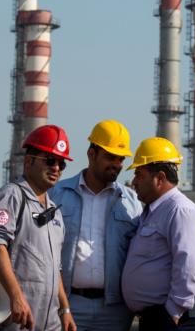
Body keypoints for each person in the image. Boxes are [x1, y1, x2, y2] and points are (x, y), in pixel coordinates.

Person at [0, 125, 77, 331]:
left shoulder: (54, 212)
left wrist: (65, 310)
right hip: (17, 318)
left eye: (61, 164)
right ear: (28, 161)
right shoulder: (11, 196)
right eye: (50, 161)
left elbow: (55, 268)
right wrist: (16, 297)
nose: (56, 168)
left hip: (50, 322)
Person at [50, 120, 142, 331]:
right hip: (68, 304)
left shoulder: (131, 202)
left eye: (121, 159)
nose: (117, 164)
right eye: (110, 157)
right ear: (91, 154)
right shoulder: (57, 195)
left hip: (115, 309)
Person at [121, 137, 195, 331]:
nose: (134, 181)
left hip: (175, 316)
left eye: (139, 174)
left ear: (159, 178)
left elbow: (189, 262)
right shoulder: (153, 211)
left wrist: (173, 311)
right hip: (158, 315)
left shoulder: (180, 210)